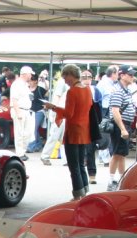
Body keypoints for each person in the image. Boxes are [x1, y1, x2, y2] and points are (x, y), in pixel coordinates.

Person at [44, 64, 91, 200]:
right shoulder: (87, 89)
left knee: (73, 165)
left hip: (73, 131)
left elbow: (69, 114)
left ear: (70, 75)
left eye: (65, 77)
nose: (65, 81)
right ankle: (84, 191)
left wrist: (53, 107)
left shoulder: (72, 91)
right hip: (84, 130)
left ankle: (77, 194)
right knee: (81, 163)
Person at [107, 65, 137, 191]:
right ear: (122, 75)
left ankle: (120, 179)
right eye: (130, 75)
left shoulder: (125, 90)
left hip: (124, 124)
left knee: (121, 153)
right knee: (117, 153)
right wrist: (123, 128)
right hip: (120, 124)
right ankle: (111, 181)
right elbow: (115, 111)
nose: (132, 77)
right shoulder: (118, 90)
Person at [41, 70, 70, 166]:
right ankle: (45, 156)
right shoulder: (63, 82)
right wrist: (55, 111)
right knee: (55, 136)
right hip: (60, 113)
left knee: (64, 138)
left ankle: (66, 159)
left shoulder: (67, 82)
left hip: (64, 113)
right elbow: (56, 97)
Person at [11, 66, 35, 160]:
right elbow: (14, 99)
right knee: (19, 133)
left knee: (27, 133)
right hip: (20, 109)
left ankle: (22, 151)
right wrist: (18, 112)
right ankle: (19, 153)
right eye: (30, 74)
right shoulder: (17, 84)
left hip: (26, 110)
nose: (31, 76)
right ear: (25, 74)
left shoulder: (25, 84)